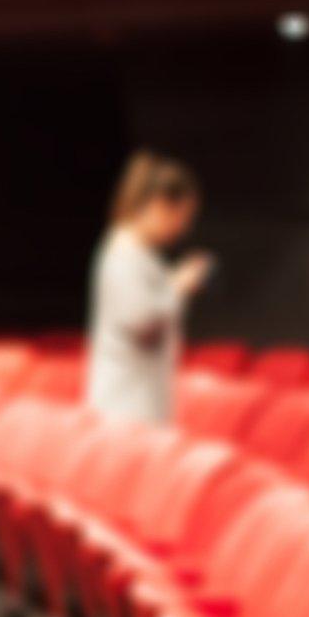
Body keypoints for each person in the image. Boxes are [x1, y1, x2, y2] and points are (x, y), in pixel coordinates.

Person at [85, 151, 214, 424]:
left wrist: (172, 285)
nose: (184, 228)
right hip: (126, 407)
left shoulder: (137, 253)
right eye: (182, 216)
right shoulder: (124, 254)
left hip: (136, 401)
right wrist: (178, 286)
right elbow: (142, 322)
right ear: (159, 205)